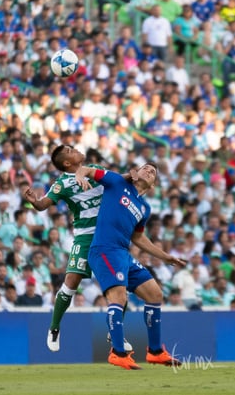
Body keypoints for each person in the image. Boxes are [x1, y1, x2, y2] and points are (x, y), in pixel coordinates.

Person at [75, 162, 184, 369]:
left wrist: (165, 257)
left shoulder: (144, 208)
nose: (149, 171)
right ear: (136, 173)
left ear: (152, 185)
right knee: (119, 296)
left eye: (153, 172)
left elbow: (139, 238)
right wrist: (80, 176)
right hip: (104, 249)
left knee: (155, 294)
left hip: (123, 254)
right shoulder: (117, 182)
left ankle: (155, 351)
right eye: (145, 168)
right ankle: (118, 353)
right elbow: (87, 170)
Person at [24, 145, 132, 353]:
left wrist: (133, 175)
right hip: (84, 238)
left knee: (120, 286)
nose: (76, 150)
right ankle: (54, 328)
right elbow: (43, 204)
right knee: (71, 281)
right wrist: (34, 202)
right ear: (67, 163)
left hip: (108, 236)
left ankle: (115, 333)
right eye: (71, 150)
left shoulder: (93, 169)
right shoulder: (62, 184)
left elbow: (117, 180)